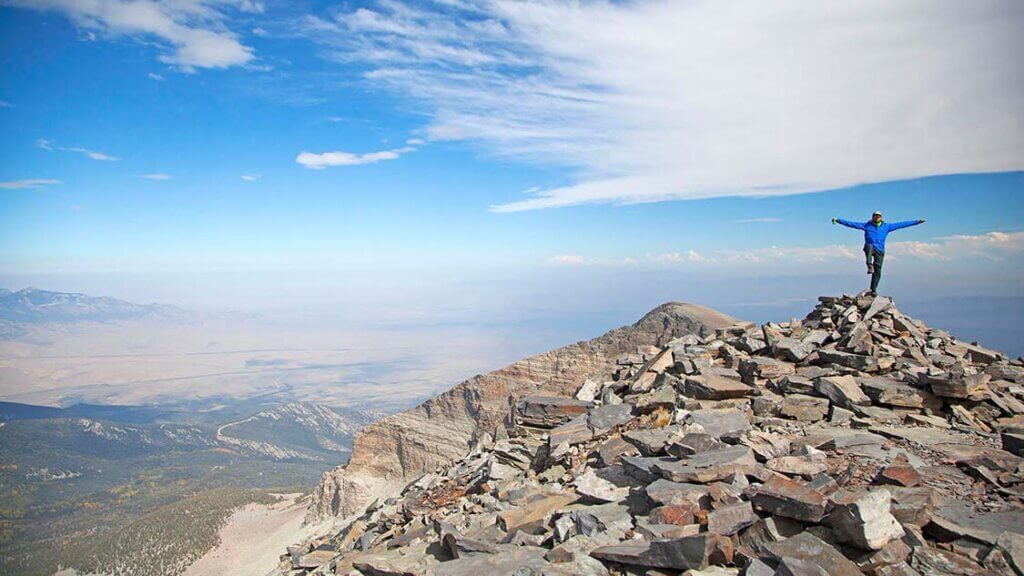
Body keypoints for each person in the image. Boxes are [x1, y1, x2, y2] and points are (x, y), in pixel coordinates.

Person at [832, 211, 925, 296]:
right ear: (872, 217)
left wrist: (917, 222)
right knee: (869, 246)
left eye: (878, 216)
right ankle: (869, 265)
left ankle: (873, 290)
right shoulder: (867, 225)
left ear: (881, 217)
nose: (876, 217)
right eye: (875, 216)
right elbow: (852, 224)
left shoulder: (886, 226)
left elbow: (902, 224)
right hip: (870, 247)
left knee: (878, 271)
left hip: (880, 250)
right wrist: (838, 220)